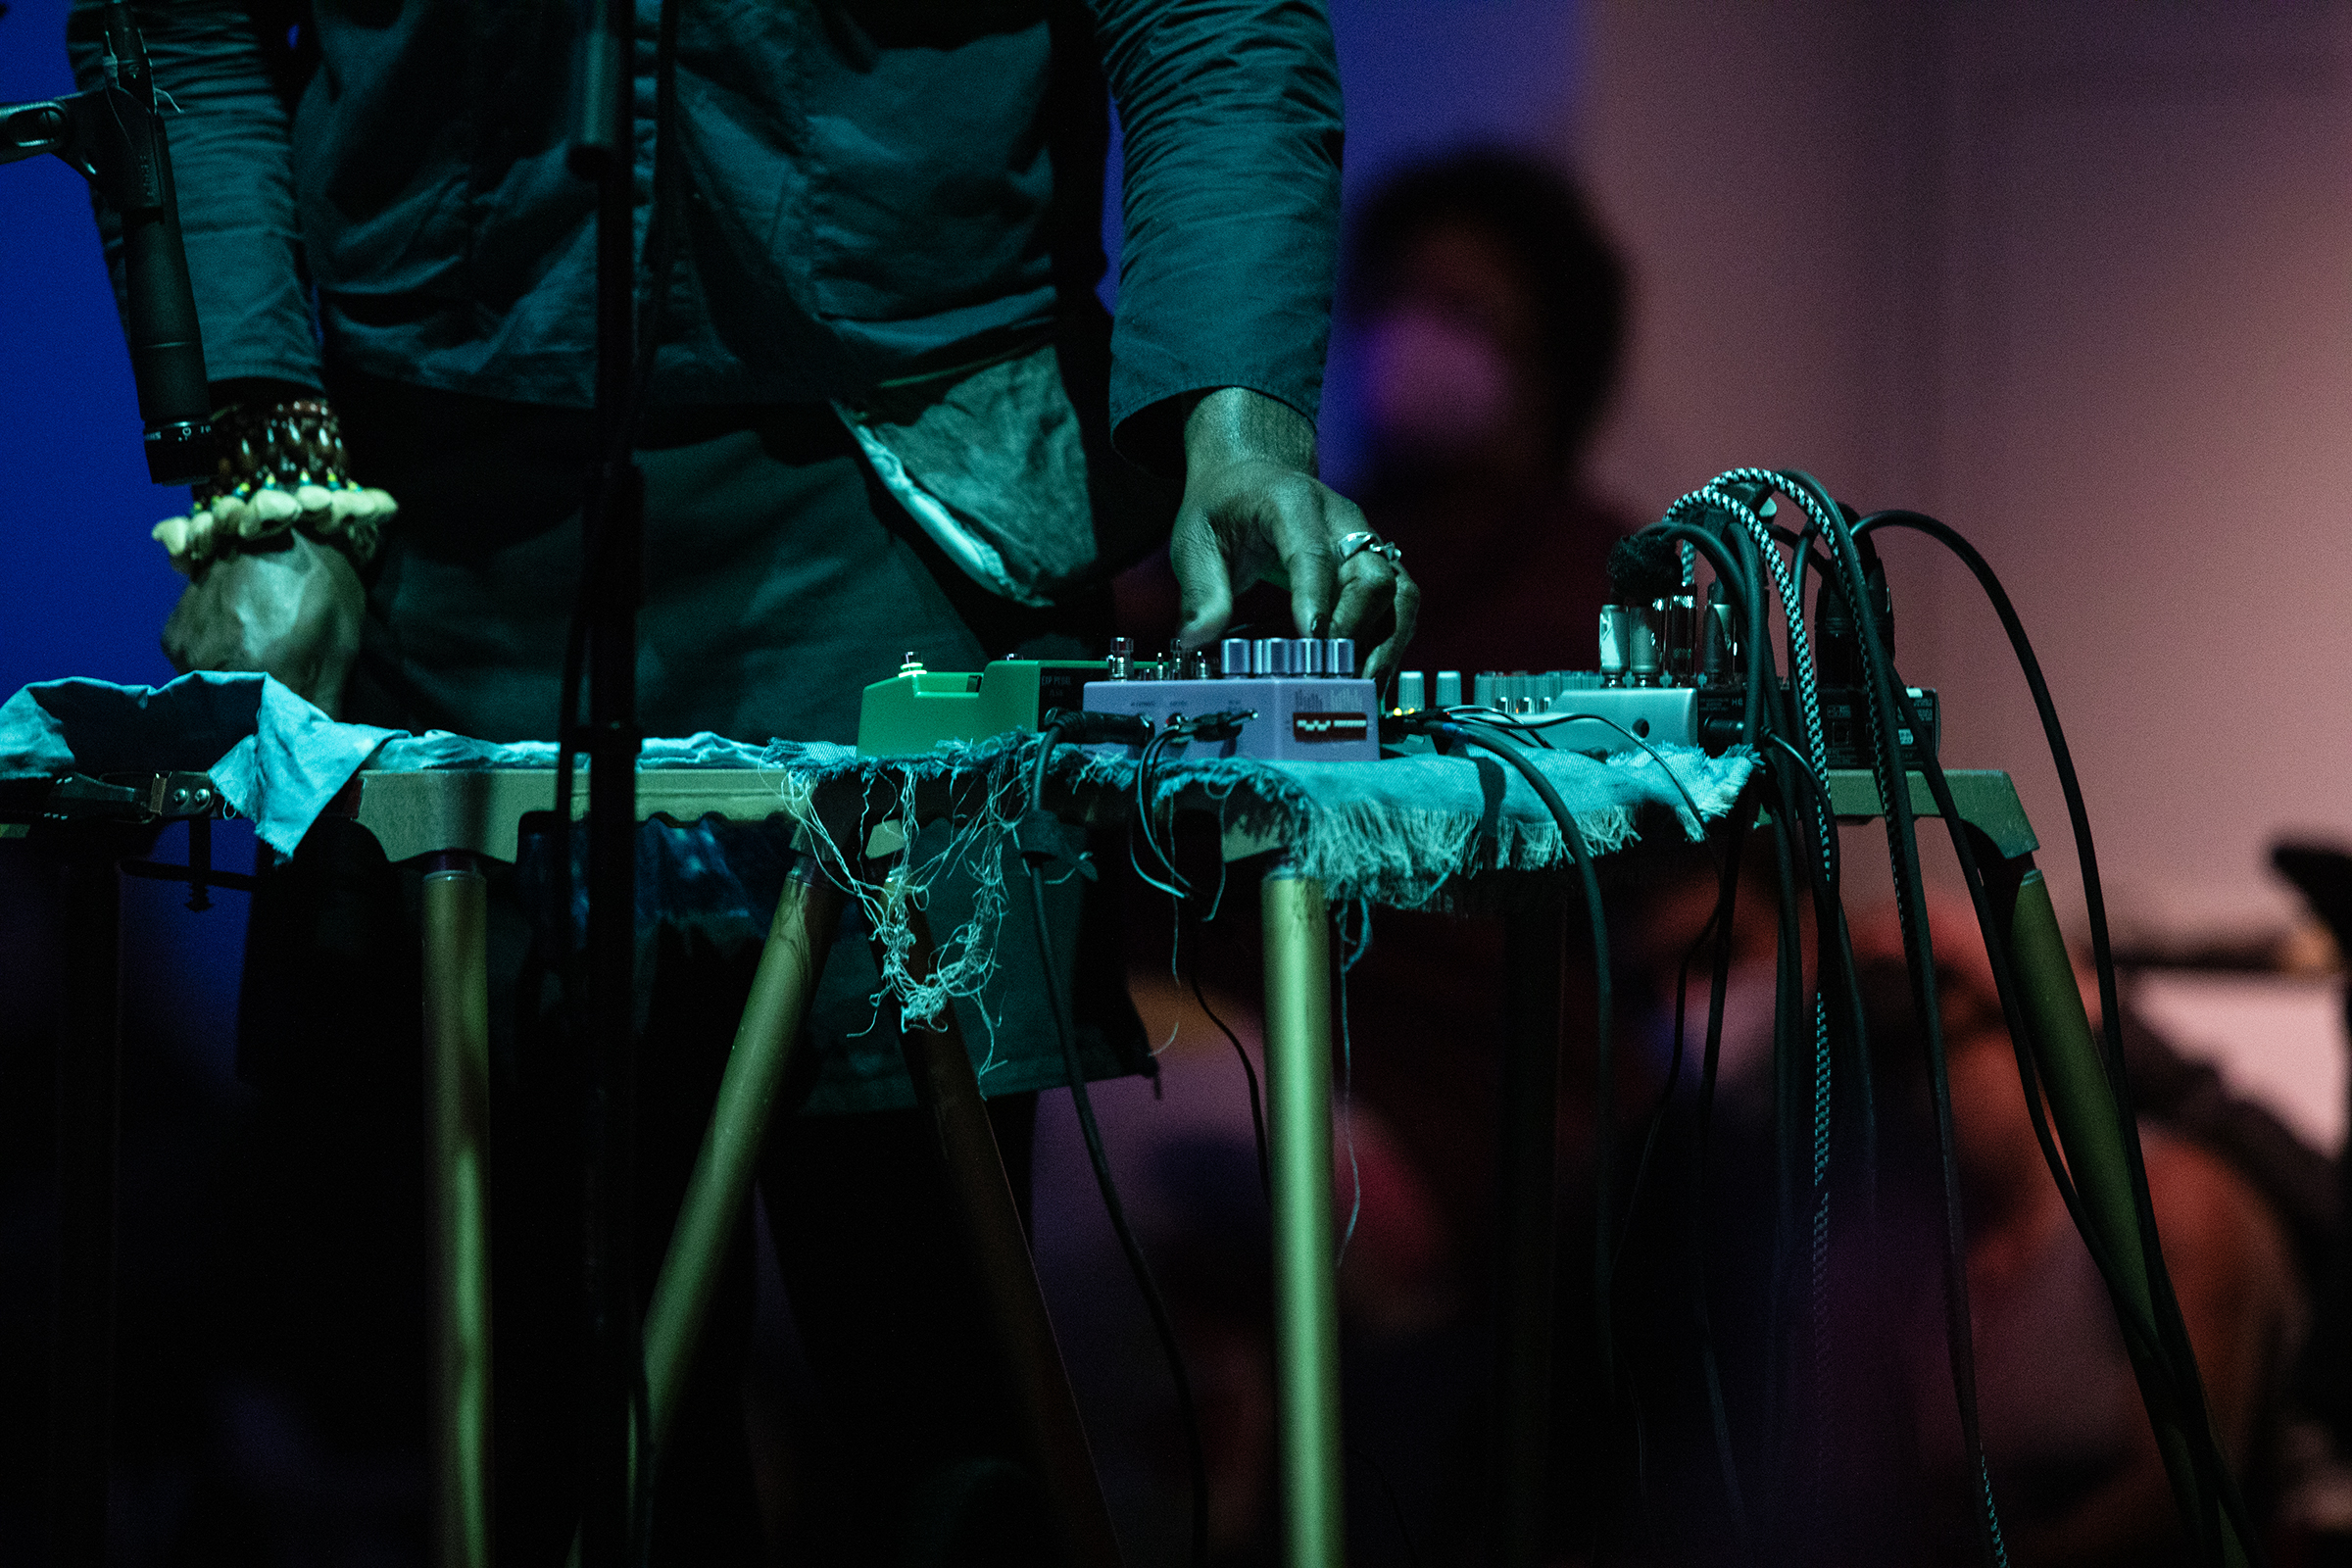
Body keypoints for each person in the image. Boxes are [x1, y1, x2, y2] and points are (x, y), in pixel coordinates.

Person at [66, 1, 1418, 1561]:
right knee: (548, 1406)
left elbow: (1211, 18)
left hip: (907, 484)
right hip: (451, 519)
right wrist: (260, 466)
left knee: (934, 1361)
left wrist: (1239, 432)